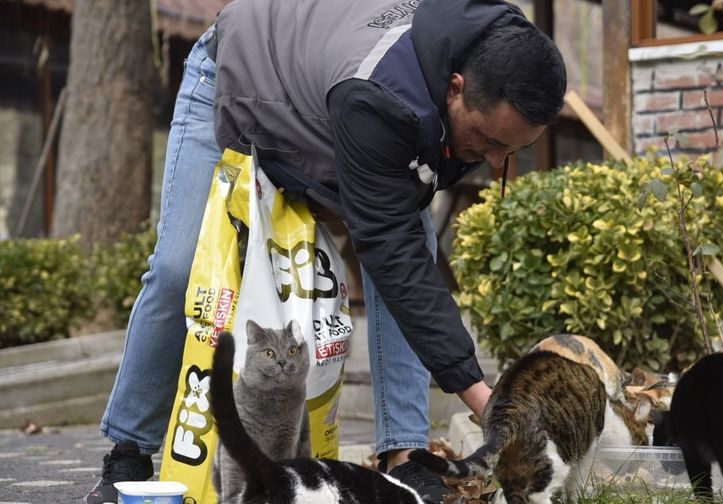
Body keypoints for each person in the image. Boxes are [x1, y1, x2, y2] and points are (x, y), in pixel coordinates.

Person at [85, 0, 566, 502]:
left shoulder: (502, 52)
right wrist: (483, 399)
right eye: (487, 141)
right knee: (178, 267)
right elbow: (389, 247)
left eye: (510, 152)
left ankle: (404, 457)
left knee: (410, 249)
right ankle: (130, 450)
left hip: (325, 101)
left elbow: (399, 244)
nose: (493, 163)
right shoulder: (382, 93)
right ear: (457, 86)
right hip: (237, 85)